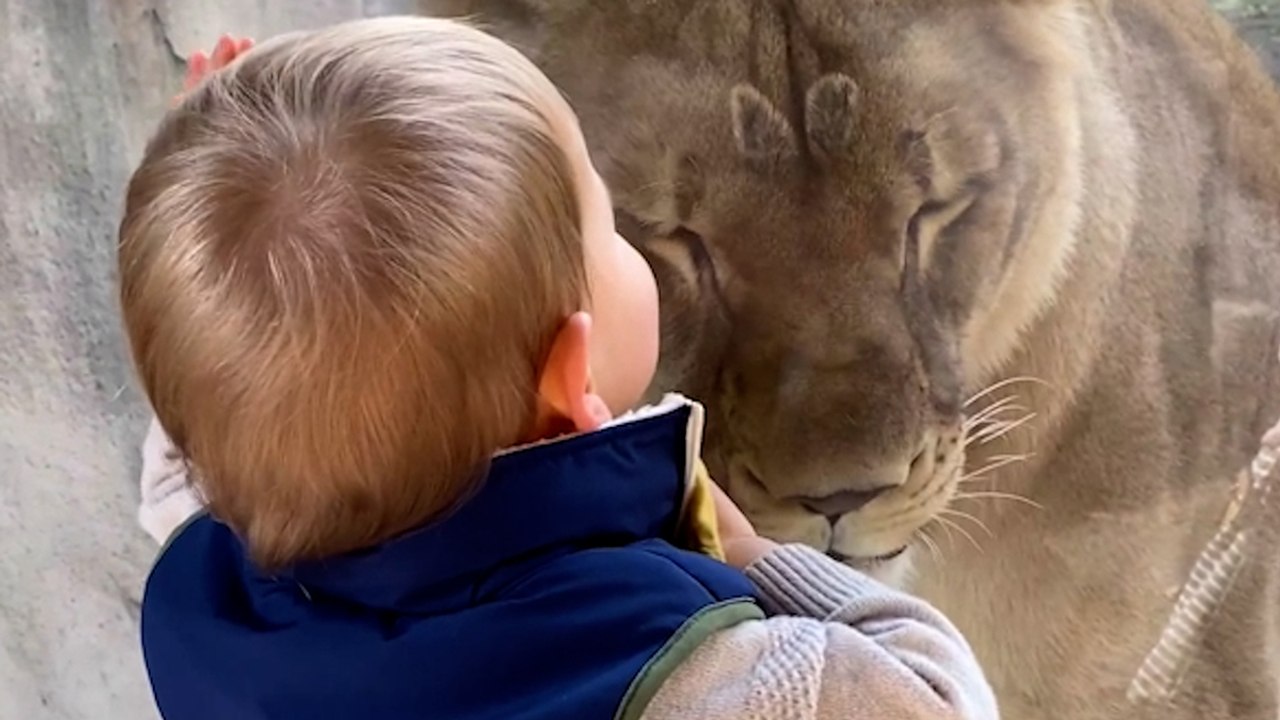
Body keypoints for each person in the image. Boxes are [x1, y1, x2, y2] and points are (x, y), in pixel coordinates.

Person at [119, 18, 1000, 720]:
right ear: (569, 372)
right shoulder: (697, 675)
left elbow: (203, 426)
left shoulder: (204, 572)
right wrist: (761, 558)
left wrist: (212, 206)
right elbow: (942, 700)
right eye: (619, 231)